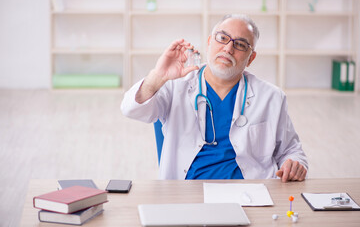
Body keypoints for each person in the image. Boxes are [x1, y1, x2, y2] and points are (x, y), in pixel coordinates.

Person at [121, 14, 308, 182]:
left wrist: (294, 163)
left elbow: (291, 150)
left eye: (240, 44)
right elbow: (131, 109)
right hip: (186, 191)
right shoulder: (175, 84)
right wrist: (158, 77)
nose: (228, 48)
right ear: (210, 41)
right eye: (222, 38)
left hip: (250, 192)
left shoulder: (271, 97)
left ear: (251, 58)